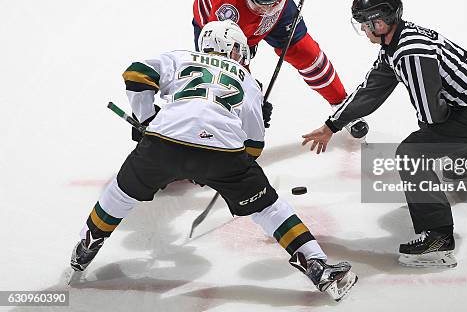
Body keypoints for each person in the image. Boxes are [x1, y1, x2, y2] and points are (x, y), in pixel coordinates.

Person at [69, 20, 357, 301]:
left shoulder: (181, 58)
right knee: (268, 208)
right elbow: (254, 147)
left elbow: (136, 74)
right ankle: (316, 264)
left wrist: (147, 118)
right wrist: (224, 169)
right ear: (232, 48)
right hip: (222, 156)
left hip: (162, 144)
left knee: (120, 193)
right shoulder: (248, 81)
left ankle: (88, 242)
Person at [302, 0, 467, 268]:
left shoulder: (408, 52)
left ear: (380, 22)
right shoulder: (397, 40)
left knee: (412, 154)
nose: (364, 31)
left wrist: (431, 142)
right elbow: (371, 90)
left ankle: (439, 240)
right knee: (440, 132)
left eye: (366, 24)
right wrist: (333, 124)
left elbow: (432, 115)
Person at [192, 0, 367, 138]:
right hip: (226, 28)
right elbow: (230, 74)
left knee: (307, 53)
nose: (266, 11)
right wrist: (250, 102)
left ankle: (342, 105)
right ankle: (222, 139)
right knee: (223, 88)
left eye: (272, 4)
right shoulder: (225, 13)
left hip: (267, 8)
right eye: (261, 6)